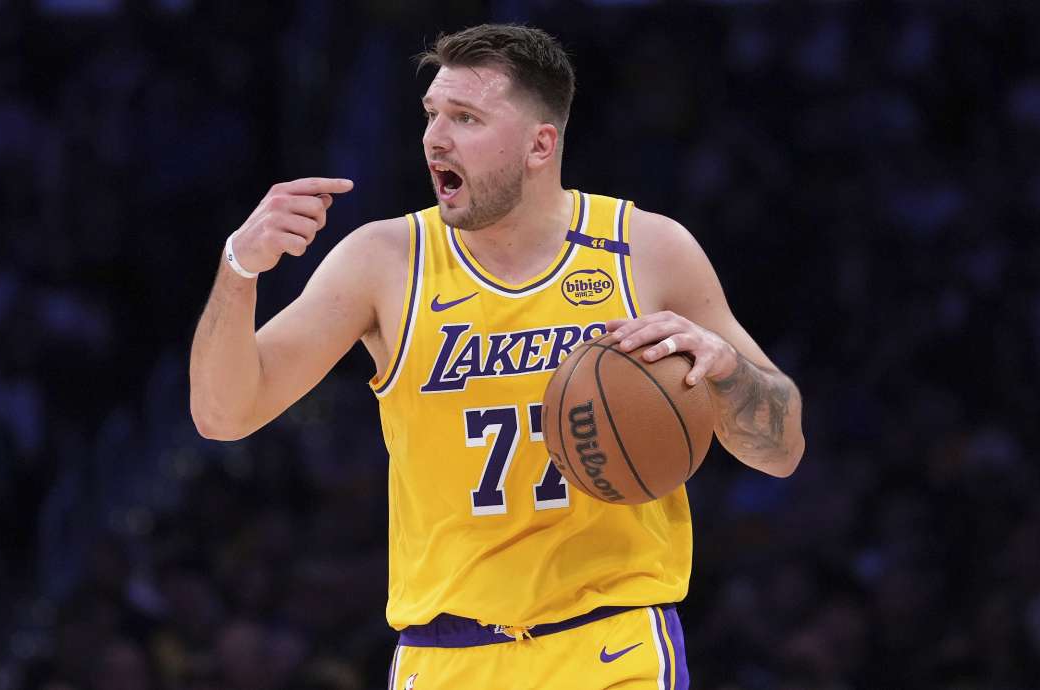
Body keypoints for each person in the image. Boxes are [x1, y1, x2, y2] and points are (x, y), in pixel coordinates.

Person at [189, 23, 804, 689]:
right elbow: (224, 415)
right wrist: (238, 266)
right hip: (447, 654)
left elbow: (782, 449)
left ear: (541, 144)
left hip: (612, 643)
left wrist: (731, 373)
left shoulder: (650, 251)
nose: (435, 138)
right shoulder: (383, 262)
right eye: (431, 114)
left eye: (466, 117)